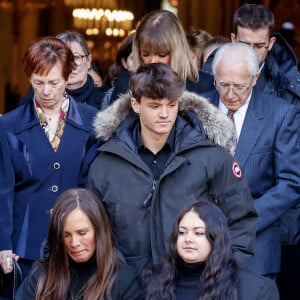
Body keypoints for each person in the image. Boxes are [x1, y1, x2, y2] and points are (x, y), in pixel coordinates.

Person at [88, 63, 257, 277]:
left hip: (193, 286)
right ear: (136, 104)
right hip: (126, 287)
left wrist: (222, 275)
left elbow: (241, 220)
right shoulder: (106, 163)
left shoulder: (211, 157)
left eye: (172, 104)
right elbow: (94, 231)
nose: (165, 114)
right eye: (155, 106)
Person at [0, 37, 99, 287]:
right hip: (25, 245)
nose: (46, 91)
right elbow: (4, 189)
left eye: (54, 83)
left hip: (75, 243)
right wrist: (3, 244)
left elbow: (92, 184)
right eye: (38, 83)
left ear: (67, 77)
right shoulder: (8, 125)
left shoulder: (92, 122)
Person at [203, 42, 300, 279]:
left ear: (255, 79)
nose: (230, 94)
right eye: (223, 85)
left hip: (258, 247)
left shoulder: (280, 114)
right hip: (203, 243)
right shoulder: (198, 109)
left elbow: (290, 182)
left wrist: (247, 218)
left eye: (240, 86)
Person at [15, 188, 140, 300]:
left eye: (82, 233)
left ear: (99, 231)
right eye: (66, 235)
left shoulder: (124, 280)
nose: (74, 243)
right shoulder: (41, 275)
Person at [144, 200, 279, 300]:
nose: (188, 239)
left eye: (198, 233)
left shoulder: (257, 290)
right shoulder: (155, 281)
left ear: (216, 238)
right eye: (182, 232)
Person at [109, 9, 214, 103]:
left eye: (162, 55)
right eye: (145, 54)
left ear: (177, 51)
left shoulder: (205, 85)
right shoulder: (126, 84)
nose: (153, 61)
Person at [102, 33, 135, 110]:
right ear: (124, 62)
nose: (139, 64)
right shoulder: (111, 94)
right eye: (134, 59)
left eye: (145, 56)